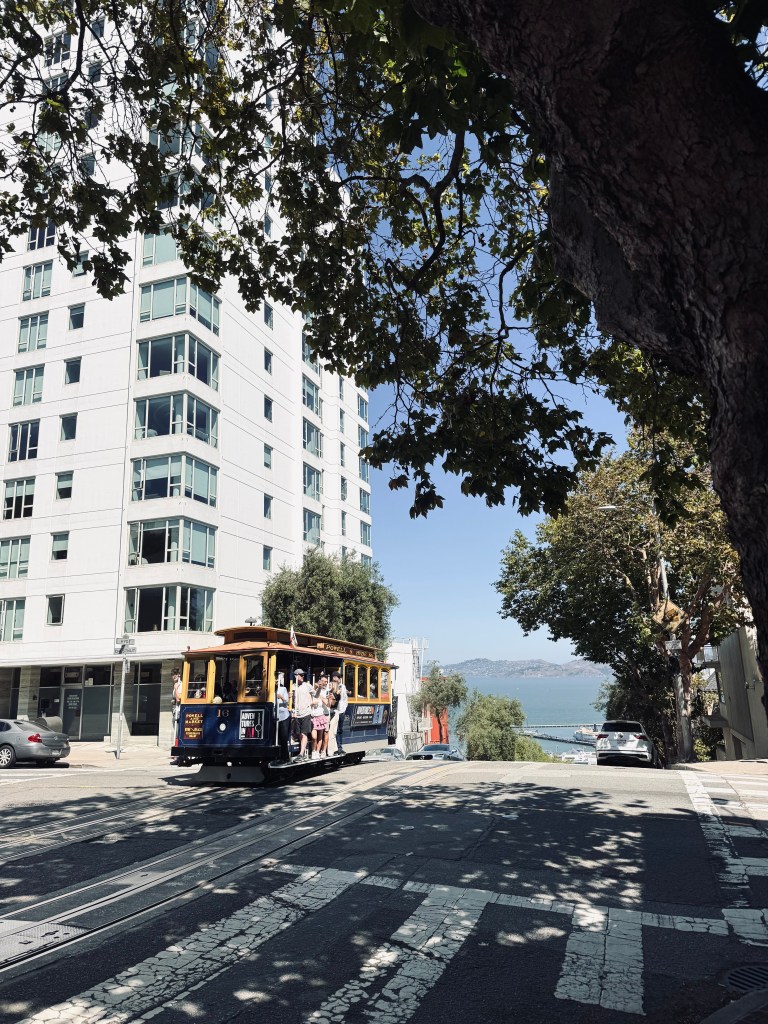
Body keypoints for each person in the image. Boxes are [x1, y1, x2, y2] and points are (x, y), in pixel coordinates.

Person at [292, 668, 313, 761]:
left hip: (306, 713)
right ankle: (302, 751)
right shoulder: (293, 687)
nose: (303, 676)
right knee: (300, 734)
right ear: (296, 676)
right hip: (297, 714)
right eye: (301, 675)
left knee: (304, 734)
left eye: (303, 675)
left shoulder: (307, 686)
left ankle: (301, 753)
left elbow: (315, 695)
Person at [310, 674, 330, 758]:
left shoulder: (326, 691)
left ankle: (318, 751)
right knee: (314, 737)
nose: (324, 683)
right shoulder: (314, 690)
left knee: (321, 736)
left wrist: (326, 698)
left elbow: (328, 704)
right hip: (313, 715)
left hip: (322, 715)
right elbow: (314, 693)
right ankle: (314, 750)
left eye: (326, 682)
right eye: (323, 681)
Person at [275, 672, 291, 763]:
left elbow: (286, 702)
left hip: (283, 716)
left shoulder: (283, 688)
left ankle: (285, 757)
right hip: (274, 716)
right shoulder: (269, 689)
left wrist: (281, 697)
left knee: (283, 737)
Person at [334, 671, 349, 754]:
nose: (336, 679)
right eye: (335, 677)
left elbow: (344, 699)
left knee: (339, 729)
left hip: (341, 710)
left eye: (337, 677)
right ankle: (337, 747)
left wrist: (344, 708)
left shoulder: (342, 686)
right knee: (335, 730)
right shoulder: (333, 686)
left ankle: (339, 747)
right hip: (336, 711)